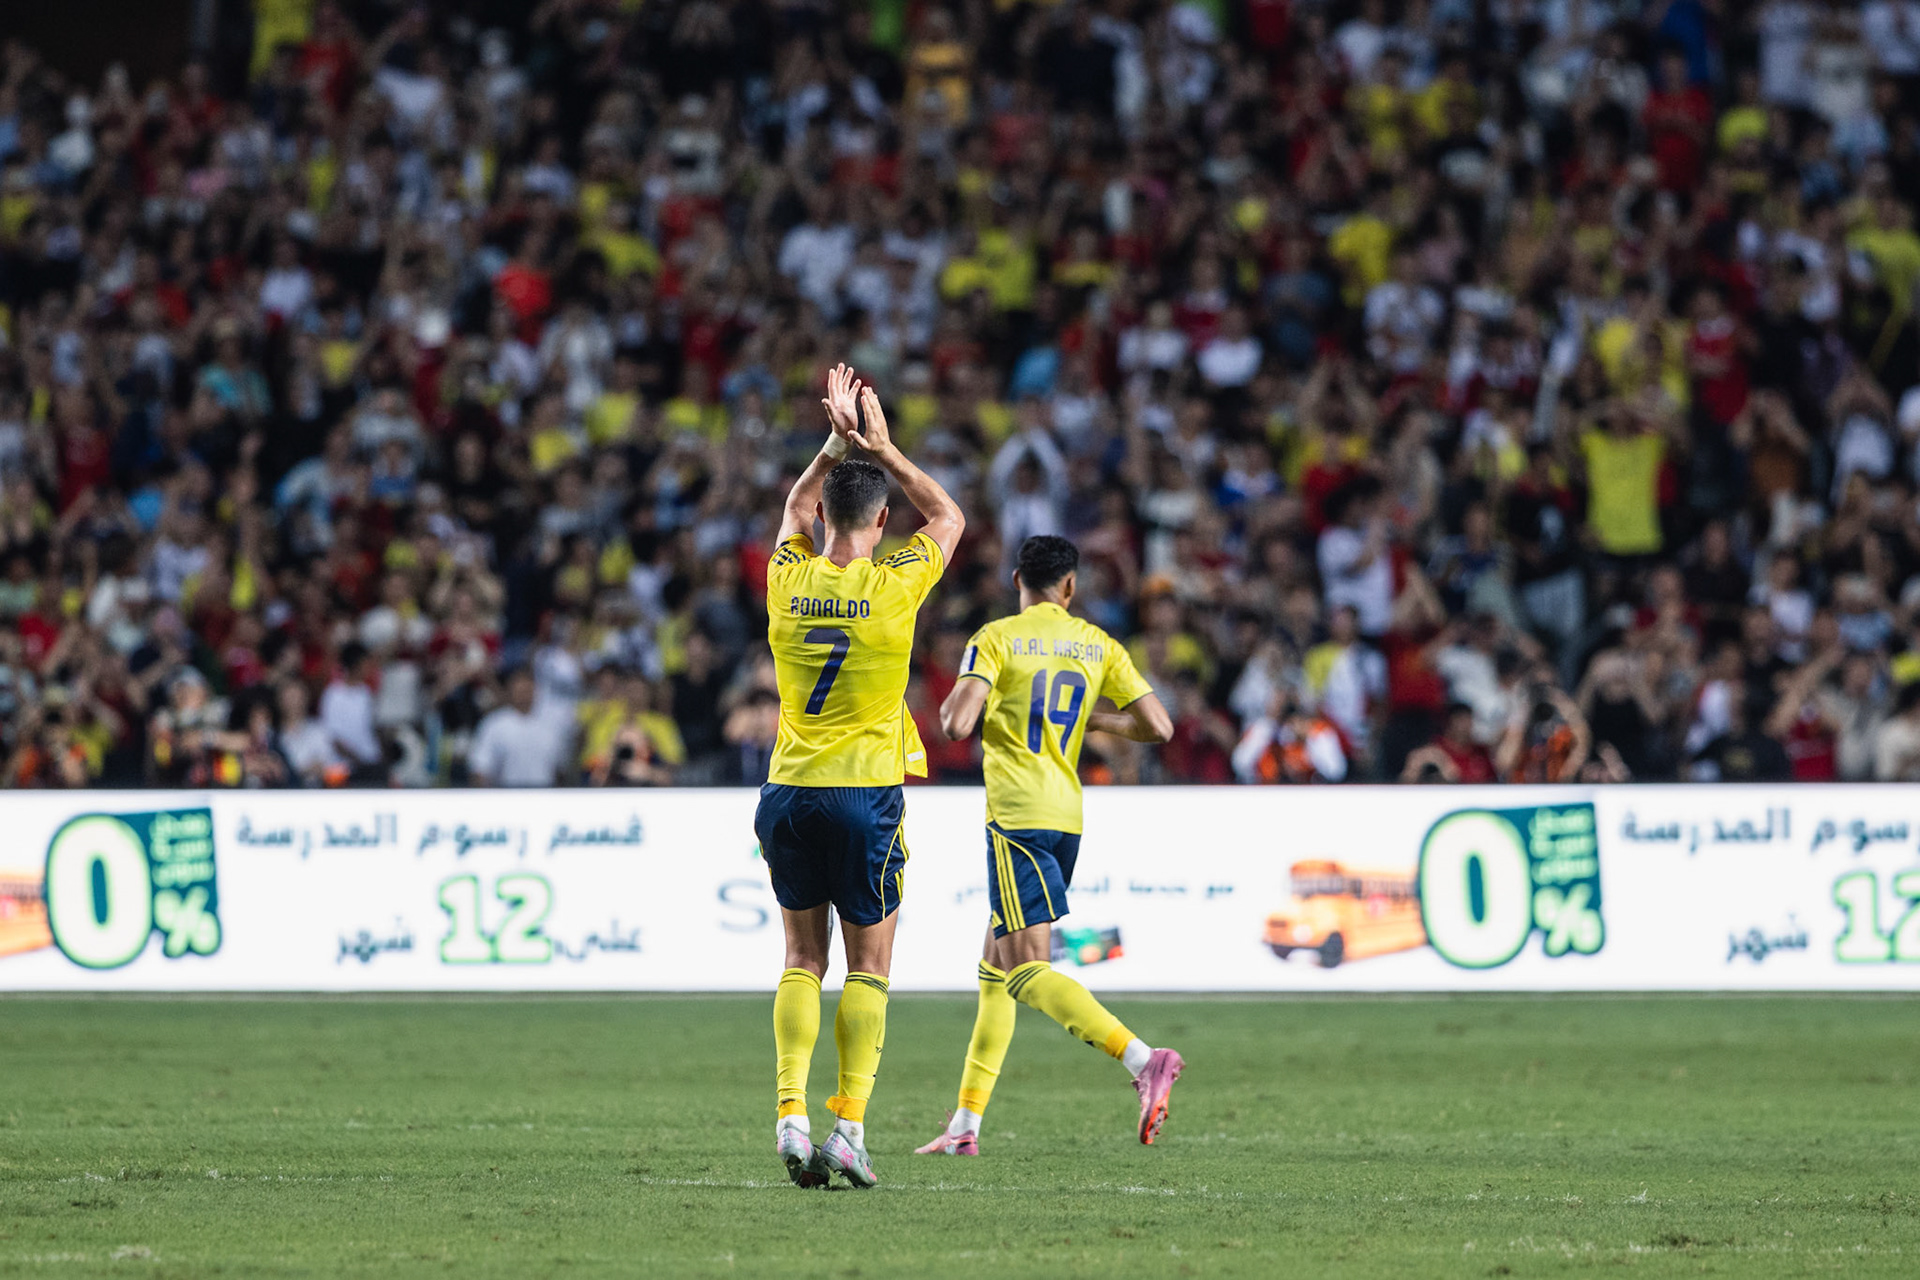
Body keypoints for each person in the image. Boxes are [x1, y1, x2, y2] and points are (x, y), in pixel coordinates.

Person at [759, 364, 964, 1190]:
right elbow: (949, 513)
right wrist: (884, 447)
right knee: (868, 968)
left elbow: (795, 506)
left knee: (801, 961)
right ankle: (848, 1128)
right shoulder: (896, 586)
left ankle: (789, 1116)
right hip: (865, 794)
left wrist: (833, 444)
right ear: (883, 520)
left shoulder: (786, 578)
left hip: (787, 791)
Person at [915, 534, 1179, 1159]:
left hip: (1016, 816)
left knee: (1028, 971)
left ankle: (1144, 1059)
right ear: (1070, 587)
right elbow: (1158, 726)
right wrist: (1093, 718)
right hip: (1066, 817)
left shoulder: (997, 638)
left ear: (1016, 582)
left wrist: (969, 689)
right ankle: (964, 1126)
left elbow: (955, 724)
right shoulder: (1097, 644)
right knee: (995, 972)